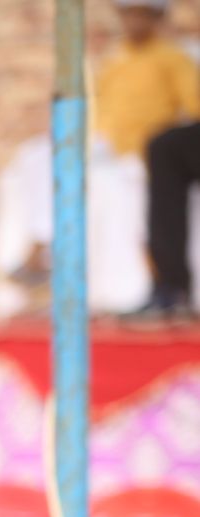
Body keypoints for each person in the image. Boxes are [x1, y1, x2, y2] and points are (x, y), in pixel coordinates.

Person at [101, 0, 200, 316]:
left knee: (160, 148)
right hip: (118, 152)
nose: (135, 23)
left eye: (142, 15)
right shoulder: (115, 59)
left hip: (146, 151)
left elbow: (193, 105)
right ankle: (167, 290)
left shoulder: (173, 57)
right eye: (129, 15)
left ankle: (169, 287)